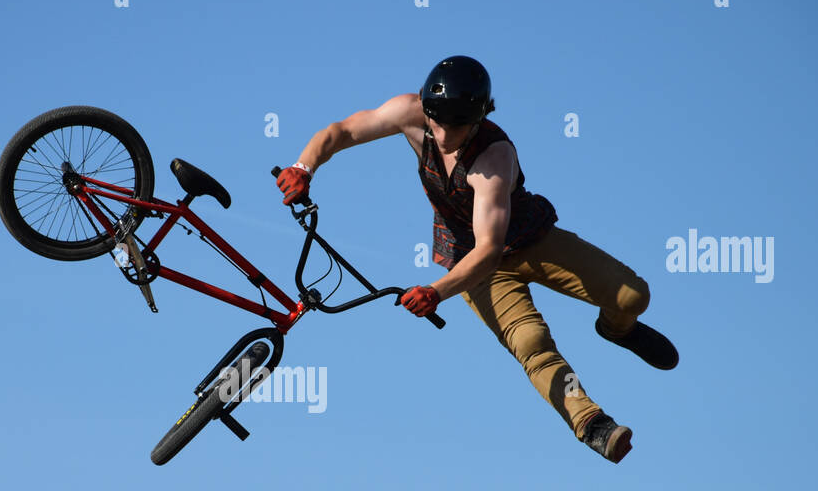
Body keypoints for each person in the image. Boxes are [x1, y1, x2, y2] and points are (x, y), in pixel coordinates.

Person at [275, 56, 678, 463]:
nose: (445, 134)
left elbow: (489, 248)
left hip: (528, 242)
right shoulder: (410, 113)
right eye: (438, 124)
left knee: (633, 296)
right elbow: (341, 131)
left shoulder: (494, 158)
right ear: (426, 110)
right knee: (531, 343)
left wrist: (436, 291)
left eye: (459, 126)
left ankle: (617, 329)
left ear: (480, 117)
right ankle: (590, 421)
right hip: (474, 267)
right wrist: (303, 166)